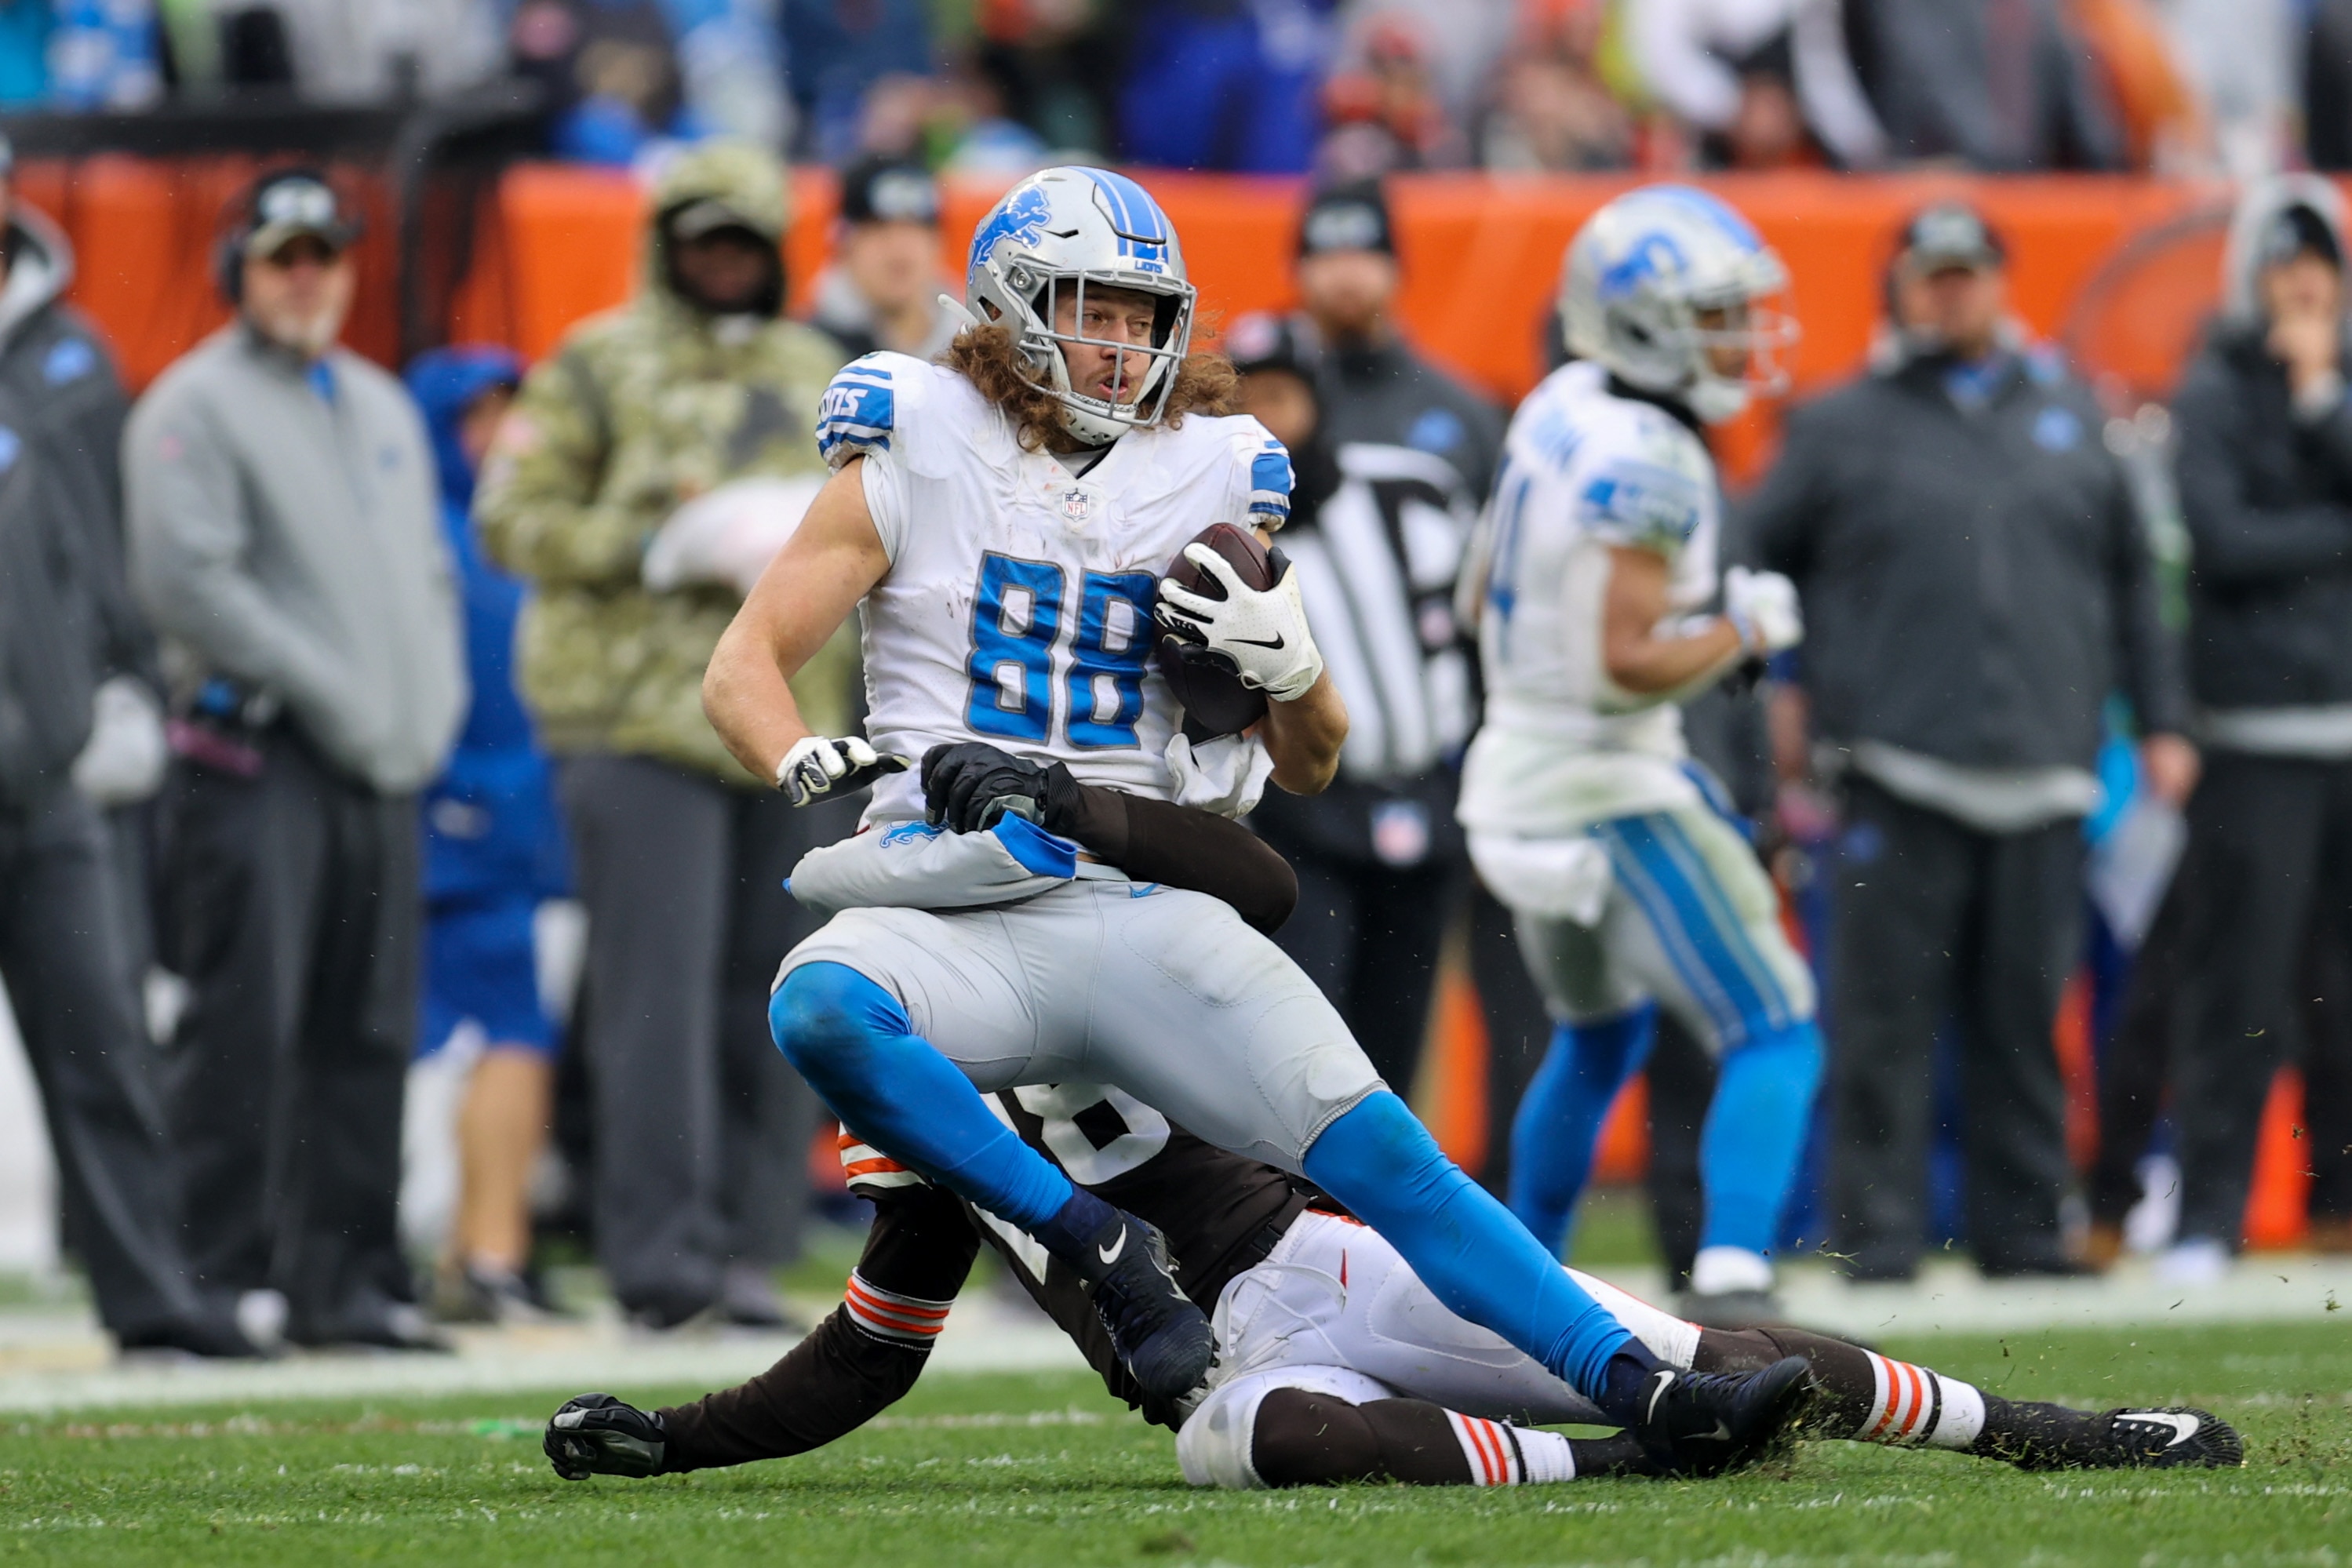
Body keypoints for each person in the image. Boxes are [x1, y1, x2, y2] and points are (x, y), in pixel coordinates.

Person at [702, 163, 1811, 1474]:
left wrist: (1288, 670)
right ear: (1007, 304)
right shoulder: (916, 432)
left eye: (1135, 315)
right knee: (818, 1002)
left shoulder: (1212, 470)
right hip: (949, 889)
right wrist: (799, 751)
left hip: (1132, 889)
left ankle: (1646, 1385)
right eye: (1085, 308)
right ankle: (1092, 1242)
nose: (1116, 343)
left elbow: (1315, 757)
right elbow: (741, 665)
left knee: (1390, 1154)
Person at [540, 905, 2241, 1486]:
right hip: (1250, 1373)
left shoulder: (1089, 980)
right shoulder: (922, 1122)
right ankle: (1620, 1463)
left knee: (1679, 1335)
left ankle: (2046, 1427)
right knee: (1249, 1446)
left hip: (1322, 1264)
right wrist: (670, 1443)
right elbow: (864, 1355)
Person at [1746, 201, 2194, 1282]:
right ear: (1896, 287)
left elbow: (2134, 580)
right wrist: (1781, 698)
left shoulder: (2069, 414)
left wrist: (2166, 716)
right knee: (1884, 1023)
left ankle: (2024, 1229)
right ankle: (1878, 1236)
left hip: (2043, 763)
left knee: (2023, 1019)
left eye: (1969, 273)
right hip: (1895, 762)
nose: (1952, 291)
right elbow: (1751, 566)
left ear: (2000, 282)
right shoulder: (1836, 423)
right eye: (1931, 274)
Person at [475, 141, 850, 1332]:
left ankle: (750, 1246)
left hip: (796, 725)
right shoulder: (597, 361)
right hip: (639, 719)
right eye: (702, 239)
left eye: (745, 241)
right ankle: (662, 1260)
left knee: (779, 995)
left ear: (779, 254)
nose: (724, 262)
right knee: (658, 1000)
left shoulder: (823, 371)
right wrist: (650, 541)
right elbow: (510, 518)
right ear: (665, 243)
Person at [1452, 185, 1819, 1324]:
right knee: (1775, 1023)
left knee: (1599, 1030)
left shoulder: (1558, 399)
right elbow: (1622, 662)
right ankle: (1734, 1283)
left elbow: (1474, 594)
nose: (1736, 339)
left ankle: (1510, 1289)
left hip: (1509, 767)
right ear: (1645, 320)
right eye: (1712, 316)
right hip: (1601, 778)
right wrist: (1742, 632)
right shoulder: (1652, 452)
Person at [126, 169, 465, 1352]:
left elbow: (424, 572)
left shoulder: (375, 401)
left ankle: (349, 1281)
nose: (308, 274)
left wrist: (429, 705)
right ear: (238, 270)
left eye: (326, 252)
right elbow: (189, 586)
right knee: (242, 1020)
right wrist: (343, 694)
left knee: (368, 1031)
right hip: (256, 751)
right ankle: (204, 1275)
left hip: (378, 759)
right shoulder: (191, 404)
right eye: (283, 255)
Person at [1243, 179, 1501, 1097]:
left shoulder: (1460, 415)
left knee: (1404, 1038)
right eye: (1325, 254)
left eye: (1363, 253)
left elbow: (1489, 598)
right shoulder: (1251, 452)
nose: (1346, 275)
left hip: (1430, 763)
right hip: (1303, 789)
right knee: (1301, 1042)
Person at [2159, 177, 2352, 1282]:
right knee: (2238, 990)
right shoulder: (2212, 386)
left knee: (2344, 994)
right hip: (2256, 733)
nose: (2300, 297)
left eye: (2316, 281)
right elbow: (2219, 540)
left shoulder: (2333, 390)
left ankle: (2339, 1202)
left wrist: (2323, 397)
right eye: (2285, 279)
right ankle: (2205, 1212)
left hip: (2342, 732)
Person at [405, 346, 573, 1323]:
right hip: (453, 826)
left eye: (511, 411)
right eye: (476, 415)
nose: (500, 433)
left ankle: (479, 1251)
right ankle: (482, 1253)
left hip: (521, 826)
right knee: (499, 1033)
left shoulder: (515, 534)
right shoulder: (431, 536)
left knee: (508, 1031)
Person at [0, 131, 163, 987]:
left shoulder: (75, 356)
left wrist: (132, 684)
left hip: (63, 772)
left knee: (107, 1061)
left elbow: (117, 541)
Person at [806, 155, 959, 364]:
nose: (898, 247)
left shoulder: (975, 351)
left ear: (938, 241)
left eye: (913, 227)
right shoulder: (806, 352)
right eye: (878, 228)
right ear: (843, 243)